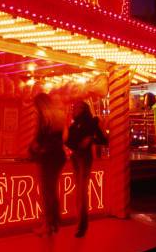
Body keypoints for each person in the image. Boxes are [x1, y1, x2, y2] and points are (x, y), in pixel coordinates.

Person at [66, 101, 108, 238]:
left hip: (84, 158)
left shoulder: (92, 122)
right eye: (74, 107)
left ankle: (82, 225)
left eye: (77, 107)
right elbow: (70, 143)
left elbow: (104, 140)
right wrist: (66, 138)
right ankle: (80, 222)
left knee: (82, 192)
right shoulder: (73, 125)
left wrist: (91, 139)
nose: (75, 109)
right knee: (79, 191)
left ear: (84, 109)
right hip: (75, 158)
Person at [29, 93, 66, 237]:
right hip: (58, 156)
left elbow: (37, 141)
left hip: (47, 157)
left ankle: (47, 226)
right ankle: (54, 224)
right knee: (52, 191)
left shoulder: (43, 118)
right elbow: (62, 138)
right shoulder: (58, 115)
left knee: (46, 192)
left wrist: (32, 149)